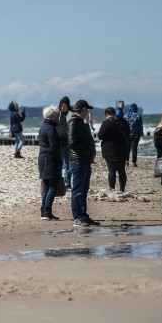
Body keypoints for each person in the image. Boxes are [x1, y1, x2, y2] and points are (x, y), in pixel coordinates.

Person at [68, 99, 98, 227]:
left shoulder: (81, 122)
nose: (88, 112)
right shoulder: (74, 122)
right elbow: (72, 142)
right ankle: (77, 217)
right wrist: (86, 152)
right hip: (78, 161)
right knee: (78, 190)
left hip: (85, 161)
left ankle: (83, 214)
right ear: (83, 109)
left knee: (84, 190)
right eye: (87, 110)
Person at [38, 105, 62, 220]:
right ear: (52, 116)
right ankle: (46, 212)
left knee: (47, 187)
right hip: (49, 159)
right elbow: (54, 147)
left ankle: (44, 211)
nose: (58, 118)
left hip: (43, 158)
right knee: (52, 187)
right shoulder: (50, 128)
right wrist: (59, 159)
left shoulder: (44, 126)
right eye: (57, 115)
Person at [97, 107, 130, 192]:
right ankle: (122, 190)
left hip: (109, 149)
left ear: (106, 114)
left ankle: (112, 190)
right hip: (122, 149)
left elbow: (100, 136)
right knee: (122, 170)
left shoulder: (106, 123)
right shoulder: (124, 122)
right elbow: (128, 134)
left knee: (112, 170)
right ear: (114, 113)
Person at [57, 96, 71, 191]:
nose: (63, 108)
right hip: (58, 144)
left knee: (68, 166)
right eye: (61, 106)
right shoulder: (56, 115)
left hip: (68, 144)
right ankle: (58, 184)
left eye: (65, 106)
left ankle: (67, 184)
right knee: (59, 165)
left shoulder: (70, 115)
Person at [124, 103, 143, 167]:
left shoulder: (125, 116)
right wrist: (141, 134)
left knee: (127, 148)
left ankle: (126, 161)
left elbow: (123, 125)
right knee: (134, 148)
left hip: (127, 134)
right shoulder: (138, 116)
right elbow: (140, 126)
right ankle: (134, 162)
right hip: (135, 135)